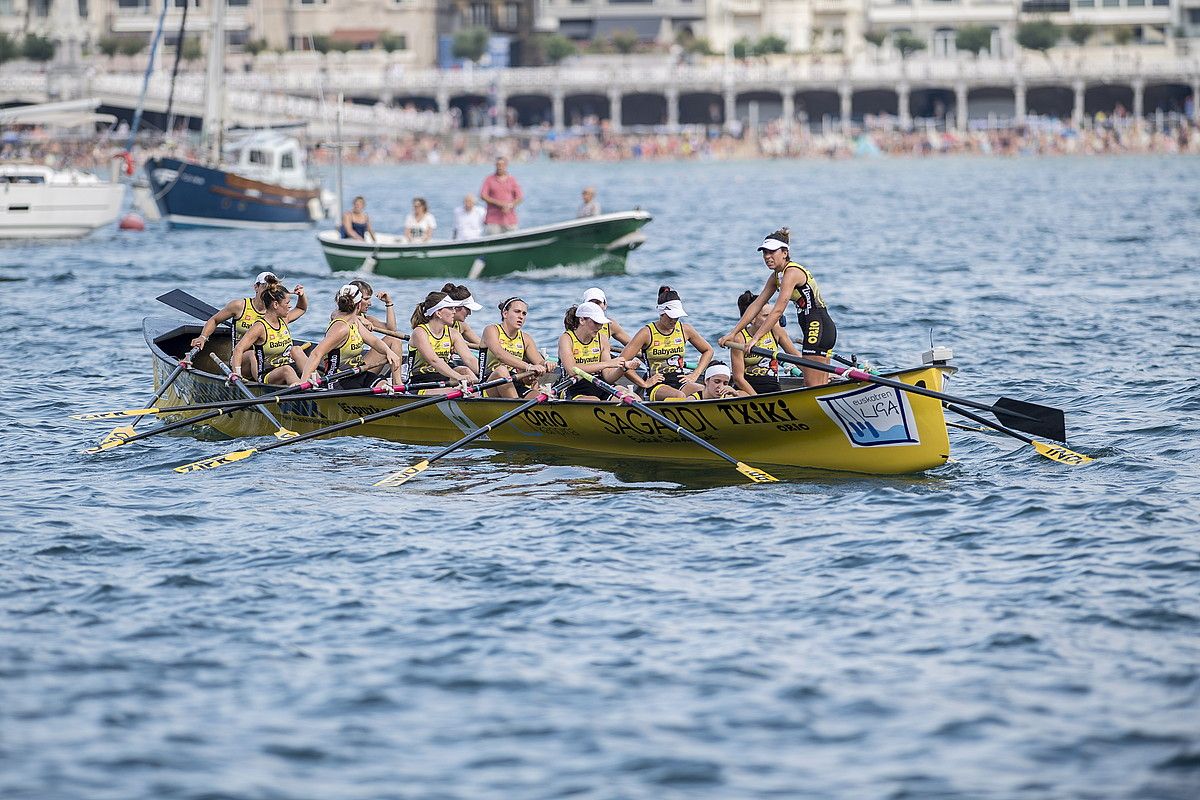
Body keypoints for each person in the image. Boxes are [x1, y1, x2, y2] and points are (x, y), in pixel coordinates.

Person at [719, 228, 837, 387]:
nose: (767, 257)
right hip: (813, 327)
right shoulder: (776, 276)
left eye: (772, 252)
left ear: (785, 253)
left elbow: (778, 311)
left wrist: (755, 339)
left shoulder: (792, 272)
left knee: (812, 385)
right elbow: (756, 305)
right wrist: (732, 333)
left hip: (818, 326)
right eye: (765, 253)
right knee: (820, 383)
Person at [189, 272, 307, 371]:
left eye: (271, 289)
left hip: (270, 363)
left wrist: (301, 296)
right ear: (255, 287)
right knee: (252, 354)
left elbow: (301, 309)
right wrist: (203, 337)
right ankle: (261, 384)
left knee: (295, 351)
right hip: (241, 359)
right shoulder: (239, 306)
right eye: (265, 287)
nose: (268, 292)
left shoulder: (277, 313)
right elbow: (215, 320)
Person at [619, 286, 713, 401]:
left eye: (677, 316)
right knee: (679, 396)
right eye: (671, 317)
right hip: (657, 384)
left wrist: (695, 374)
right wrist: (644, 383)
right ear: (661, 312)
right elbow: (621, 362)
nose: (674, 320)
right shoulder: (646, 333)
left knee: (705, 391)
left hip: (680, 379)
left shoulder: (685, 329)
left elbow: (708, 351)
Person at [304, 284, 403, 389]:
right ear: (359, 305)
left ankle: (398, 387)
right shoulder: (341, 328)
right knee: (376, 391)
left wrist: (389, 352)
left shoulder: (355, 321)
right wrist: (303, 381)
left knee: (384, 386)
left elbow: (373, 341)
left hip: (358, 373)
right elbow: (316, 354)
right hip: (339, 379)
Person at [557, 301, 640, 402]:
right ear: (582, 320)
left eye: (601, 323)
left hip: (600, 384)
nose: (600, 327)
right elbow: (571, 370)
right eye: (596, 323)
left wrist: (623, 368)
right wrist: (606, 364)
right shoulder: (566, 338)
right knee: (594, 401)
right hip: (573, 387)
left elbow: (608, 377)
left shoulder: (602, 339)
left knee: (634, 397)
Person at [230, 283, 309, 386]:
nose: (290, 306)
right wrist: (237, 374)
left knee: (297, 350)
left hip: (287, 364)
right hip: (267, 375)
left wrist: (301, 295)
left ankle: (317, 383)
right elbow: (238, 349)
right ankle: (303, 392)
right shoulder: (259, 327)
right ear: (275, 305)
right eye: (287, 303)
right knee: (287, 370)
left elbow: (301, 308)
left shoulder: (284, 320)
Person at [729, 290, 801, 395]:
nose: (772, 320)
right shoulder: (740, 339)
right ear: (752, 319)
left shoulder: (776, 330)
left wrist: (819, 374)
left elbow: (797, 357)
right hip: (748, 390)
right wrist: (755, 397)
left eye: (772, 315)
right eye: (766, 316)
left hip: (773, 387)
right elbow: (738, 378)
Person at [407, 292, 479, 395]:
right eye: (450, 308)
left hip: (444, 377)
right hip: (421, 382)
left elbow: (469, 359)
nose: (454, 312)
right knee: (459, 390)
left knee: (465, 370)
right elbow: (434, 360)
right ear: (438, 313)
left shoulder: (453, 333)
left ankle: (481, 396)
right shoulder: (420, 332)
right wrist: (458, 377)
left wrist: (486, 375)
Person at [481, 296, 551, 398]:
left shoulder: (526, 338)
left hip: (514, 382)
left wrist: (546, 364)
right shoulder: (491, 330)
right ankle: (516, 404)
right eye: (517, 312)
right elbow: (500, 355)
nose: (521, 316)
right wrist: (528, 367)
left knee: (538, 396)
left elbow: (539, 361)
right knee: (502, 370)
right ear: (505, 313)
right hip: (489, 384)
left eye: (524, 313)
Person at [480, 156, 523, 234]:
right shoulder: (489, 179)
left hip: (510, 219)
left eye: (502, 165)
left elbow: (519, 197)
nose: (500, 167)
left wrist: (510, 205)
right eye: (498, 165)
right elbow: (483, 196)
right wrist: (499, 204)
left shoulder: (512, 179)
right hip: (493, 219)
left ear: (506, 165)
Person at [440, 283, 484, 348]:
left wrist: (461, 344)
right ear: (456, 307)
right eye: (468, 309)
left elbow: (483, 345)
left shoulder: (461, 325)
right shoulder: (434, 324)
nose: (470, 313)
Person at [675, 363, 747, 401]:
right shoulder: (693, 399)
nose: (721, 386)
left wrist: (736, 394)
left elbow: (749, 397)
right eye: (717, 381)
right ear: (706, 381)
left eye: (725, 383)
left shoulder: (727, 396)